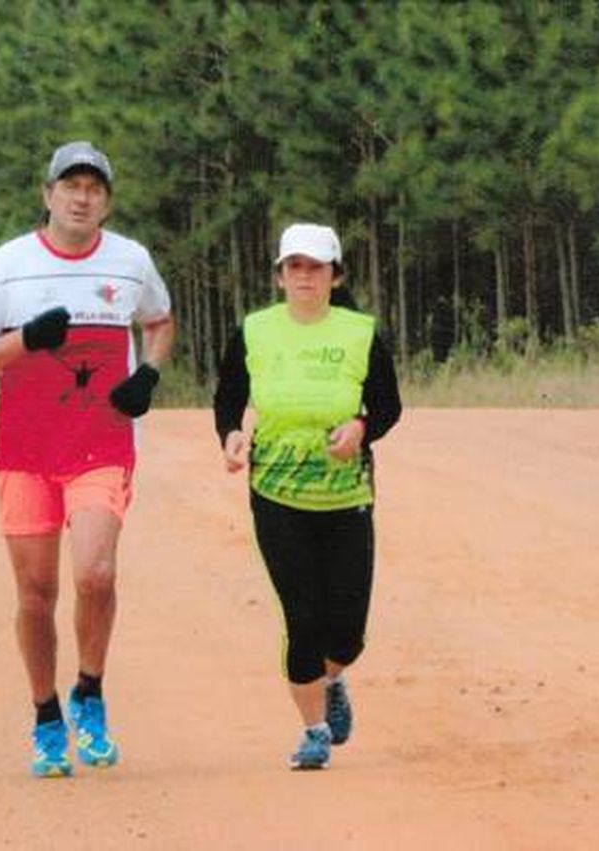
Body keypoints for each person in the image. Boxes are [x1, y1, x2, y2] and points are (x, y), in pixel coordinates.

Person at [0, 141, 175, 778]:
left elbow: (159, 321)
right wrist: (24, 340)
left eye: (95, 189)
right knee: (35, 594)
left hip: (102, 443)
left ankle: (91, 693)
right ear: (47, 194)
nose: (82, 198)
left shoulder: (130, 261)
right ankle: (47, 715)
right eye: (70, 186)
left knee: (95, 574)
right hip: (25, 451)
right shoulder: (6, 267)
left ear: (106, 202)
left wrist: (150, 374)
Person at [212, 222, 401, 770]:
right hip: (276, 493)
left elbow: (388, 405)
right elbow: (229, 396)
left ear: (334, 275)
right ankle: (313, 730)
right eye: (293, 266)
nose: (304, 276)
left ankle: (331, 679)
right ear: (279, 275)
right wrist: (231, 435)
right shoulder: (254, 331)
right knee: (303, 615)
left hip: (345, 497)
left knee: (347, 632)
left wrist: (362, 428)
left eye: (315, 267)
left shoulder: (360, 332)